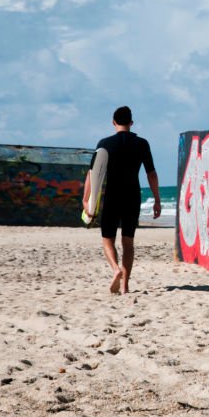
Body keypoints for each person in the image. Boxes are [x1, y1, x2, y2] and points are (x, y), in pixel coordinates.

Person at [83, 106, 161, 294]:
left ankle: (115, 269)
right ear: (131, 123)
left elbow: (93, 173)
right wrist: (157, 199)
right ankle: (125, 285)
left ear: (113, 122)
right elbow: (151, 174)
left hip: (112, 195)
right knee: (128, 242)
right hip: (133, 195)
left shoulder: (105, 144)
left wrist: (87, 200)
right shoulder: (142, 144)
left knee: (107, 239)